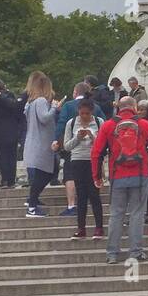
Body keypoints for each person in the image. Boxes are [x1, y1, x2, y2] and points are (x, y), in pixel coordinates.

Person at [90, 96, 148, 265]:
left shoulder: (108, 125)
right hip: (140, 173)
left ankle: (112, 253)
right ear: (134, 107)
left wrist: (97, 176)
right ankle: (136, 251)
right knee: (137, 214)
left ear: (119, 108)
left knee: (116, 214)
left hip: (117, 175)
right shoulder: (144, 124)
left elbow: (96, 152)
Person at [62, 98, 104, 238]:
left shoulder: (99, 122)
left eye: (87, 113)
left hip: (93, 161)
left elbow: (103, 144)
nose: (84, 116)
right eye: (82, 113)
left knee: (94, 195)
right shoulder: (71, 123)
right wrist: (78, 138)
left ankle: (99, 227)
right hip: (77, 160)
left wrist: (92, 136)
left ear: (91, 112)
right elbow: (67, 146)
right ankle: (81, 228)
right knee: (81, 195)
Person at [22, 72, 62, 217]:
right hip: (41, 144)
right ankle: (32, 205)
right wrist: (54, 108)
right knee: (45, 174)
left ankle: (33, 200)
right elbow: (44, 118)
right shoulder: (40, 102)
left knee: (46, 173)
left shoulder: (30, 103)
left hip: (35, 142)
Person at [55, 82, 91, 221]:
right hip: (90, 147)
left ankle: (72, 205)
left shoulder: (68, 106)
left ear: (75, 92)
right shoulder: (94, 106)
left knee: (69, 175)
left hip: (72, 146)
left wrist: (56, 141)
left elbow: (61, 123)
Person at [0, 80, 23, 188]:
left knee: (6, 157)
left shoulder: (4, 97)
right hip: (6, 131)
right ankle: (7, 180)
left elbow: (14, 106)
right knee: (6, 157)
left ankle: (7, 180)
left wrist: (0, 97)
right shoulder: (7, 97)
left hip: (5, 131)